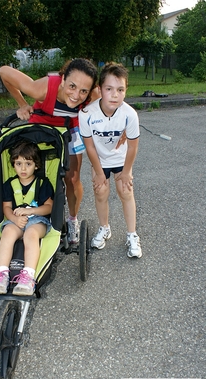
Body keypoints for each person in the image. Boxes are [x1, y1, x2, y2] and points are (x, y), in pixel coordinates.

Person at [0, 58, 98, 244]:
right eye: (72, 86)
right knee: (29, 171)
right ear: (62, 80)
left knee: (72, 178)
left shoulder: (94, 94)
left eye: (83, 91)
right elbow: (4, 71)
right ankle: (31, 211)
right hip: (41, 127)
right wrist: (22, 103)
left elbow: (115, 100)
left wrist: (123, 129)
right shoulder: (43, 88)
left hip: (69, 130)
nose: (76, 95)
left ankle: (72, 220)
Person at [79, 62, 142, 258]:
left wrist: (126, 172)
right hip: (99, 159)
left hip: (121, 158)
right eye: (109, 89)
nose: (115, 94)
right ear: (99, 90)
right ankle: (104, 228)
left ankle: (132, 235)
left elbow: (132, 146)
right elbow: (89, 146)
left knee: (126, 191)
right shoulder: (87, 114)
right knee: (101, 192)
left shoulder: (129, 114)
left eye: (120, 89)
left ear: (126, 91)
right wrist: (98, 173)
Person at [0, 141, 54, 295]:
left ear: (36, 165)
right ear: (13, 164)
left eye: (28, 164)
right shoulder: (9, 185)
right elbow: (6, 208)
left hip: (38, 220)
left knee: (31, 234)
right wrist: (15, 219)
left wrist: (31, 211)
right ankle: (2, 274)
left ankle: (28, 276)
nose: (23, 168)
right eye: (18, 163)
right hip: (16, 220)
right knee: (8, 232)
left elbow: (49, 207)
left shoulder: (43, 183)